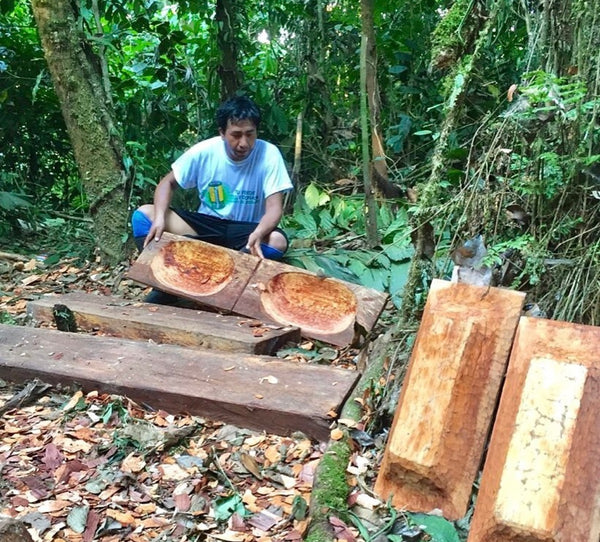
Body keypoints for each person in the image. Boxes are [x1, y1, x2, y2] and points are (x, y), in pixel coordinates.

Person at [131, 95, 293, 303]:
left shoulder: (269, 154)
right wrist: (161, 217)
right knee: (144, 216)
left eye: (249, 134)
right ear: (222, 133)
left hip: (245, 232)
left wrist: (259, 232)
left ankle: (224, 284)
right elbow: (167, 183)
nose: (243, 143)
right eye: (235, 135)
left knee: (277, 241)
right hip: (206, 228)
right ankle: (168, 284)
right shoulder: (204, 151)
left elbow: (274, 208)